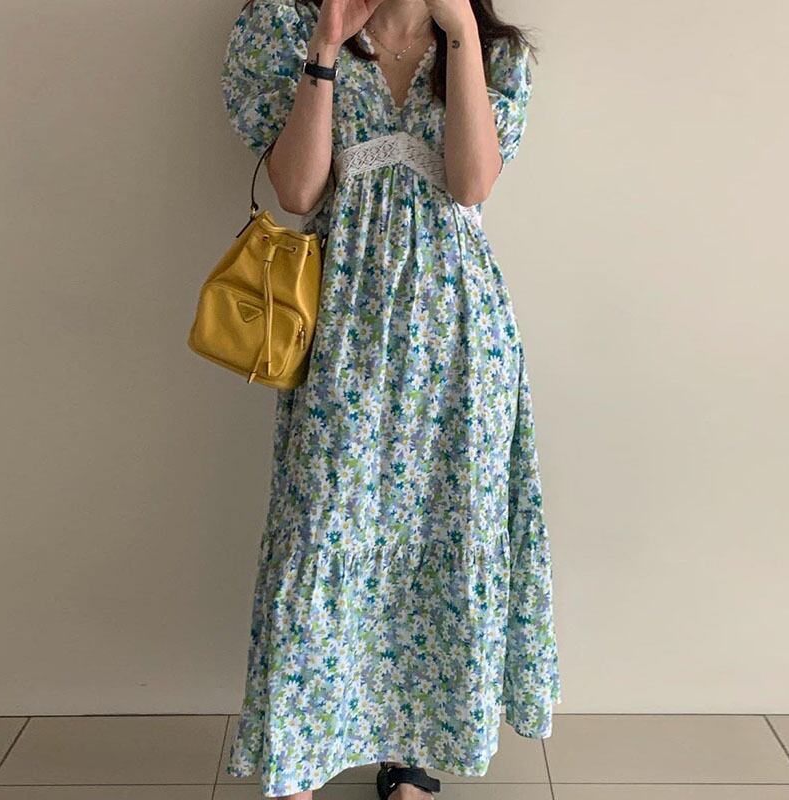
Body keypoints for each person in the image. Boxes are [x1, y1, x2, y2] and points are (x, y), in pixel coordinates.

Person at [219, 0, 561, 797]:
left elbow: (470, 183)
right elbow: (298, 190)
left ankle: (409, 757)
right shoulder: (289, 26)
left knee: (440, 534)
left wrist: (461, 31)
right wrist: (326, 43)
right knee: (323, 532)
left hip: (459, 341)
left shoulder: (492, 51)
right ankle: (300, 757)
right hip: (342, 330)